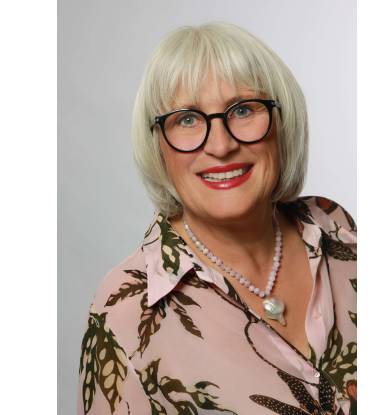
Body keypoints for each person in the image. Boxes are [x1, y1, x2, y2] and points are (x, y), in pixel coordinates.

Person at [77, 22, 357, 415]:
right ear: (157, 144)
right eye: (187, 119)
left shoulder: (338, 229)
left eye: (242, 110)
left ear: (282, 121)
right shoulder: (126, 309)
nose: (222, 145)